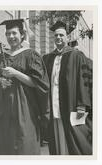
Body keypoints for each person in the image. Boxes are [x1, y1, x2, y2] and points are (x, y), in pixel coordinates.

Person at [0, 19, 50, 155]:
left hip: (25, 109)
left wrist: (16, 73)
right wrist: (0, 82)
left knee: (24, 145)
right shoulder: (0, 58)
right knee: (5, 146)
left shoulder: (31, 55)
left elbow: (39, 84)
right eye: (8, 34)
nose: (11, 37)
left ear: (22, 35)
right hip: (5, 111)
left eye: (14, 33)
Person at [43, 20, 92, 155]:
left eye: (61, 35)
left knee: (75, 137)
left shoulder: (76, 56)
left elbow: (83, 81)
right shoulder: (48, 58)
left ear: (68, 37)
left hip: (72, 105)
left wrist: (82, 104)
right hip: (54, 104)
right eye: (56, 35)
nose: (58, 38)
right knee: (56, 136)